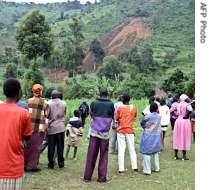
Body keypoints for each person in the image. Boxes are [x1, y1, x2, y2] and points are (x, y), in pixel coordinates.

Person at [0, 78, 32, 189]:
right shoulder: (24, 114)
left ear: (4, 92)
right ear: (19, 93)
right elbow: (27, 137)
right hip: (13, 168)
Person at [83, 87, 114, 183]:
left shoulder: (94, 103)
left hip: (94, 132)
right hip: (105, 134)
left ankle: (87, 177)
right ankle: (102, 178)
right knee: (103, 155)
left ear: (99, 93)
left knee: (91, 154)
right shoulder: (110, 104)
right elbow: (112, 116)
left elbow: (91, 114)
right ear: (107, 94)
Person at [24, 84, 49, 171]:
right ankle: (32, 165)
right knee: (37, 147)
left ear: (33, 91)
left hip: (28, 127)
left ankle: (24, 164)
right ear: (41, 91)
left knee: (27, 146)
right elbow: (47, 114)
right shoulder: (45, 102)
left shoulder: (28, 101)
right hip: (40, 127)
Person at [115, 93, 138, 174]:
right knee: (132, 149)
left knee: (121, 150)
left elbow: (116, 118)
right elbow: (134, 117)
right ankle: (134, 168)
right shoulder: (134, 108)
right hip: (130, 130)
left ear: (122, 100)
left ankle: (121, 170)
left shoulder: (120, 108)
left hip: (121, 130)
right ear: (129, 99)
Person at [140, 102, 162, 175]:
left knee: (146, 152)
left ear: (150, 109)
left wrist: (145, 127)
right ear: (156, 109)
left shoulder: (148, 116)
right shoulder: (159, 116)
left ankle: (147, 170)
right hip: (156, 136)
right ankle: (156, 167)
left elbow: (142, 122)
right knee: (155, 152)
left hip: (148, 135)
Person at [47, 90, 66, 169]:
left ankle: (51, 164)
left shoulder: (48, 103)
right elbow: (64, 113)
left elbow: (47, 115)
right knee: (60, 146)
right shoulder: (64, 103)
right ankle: (61, 163)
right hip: (61, 127)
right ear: (58, 96)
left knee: (51, 147)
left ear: (51, 96)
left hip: (52, 128)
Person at [173, 94, 193, 160]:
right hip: (185, 121)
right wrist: (186, 115)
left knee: (177, 137)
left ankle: (176, 156)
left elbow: (172, 110)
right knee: (184, 137)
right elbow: (190, 110)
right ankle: (184, 156)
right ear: (185, 99)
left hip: (178, 121)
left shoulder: (178, 104)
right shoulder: (187, 104)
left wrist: (176, 115)